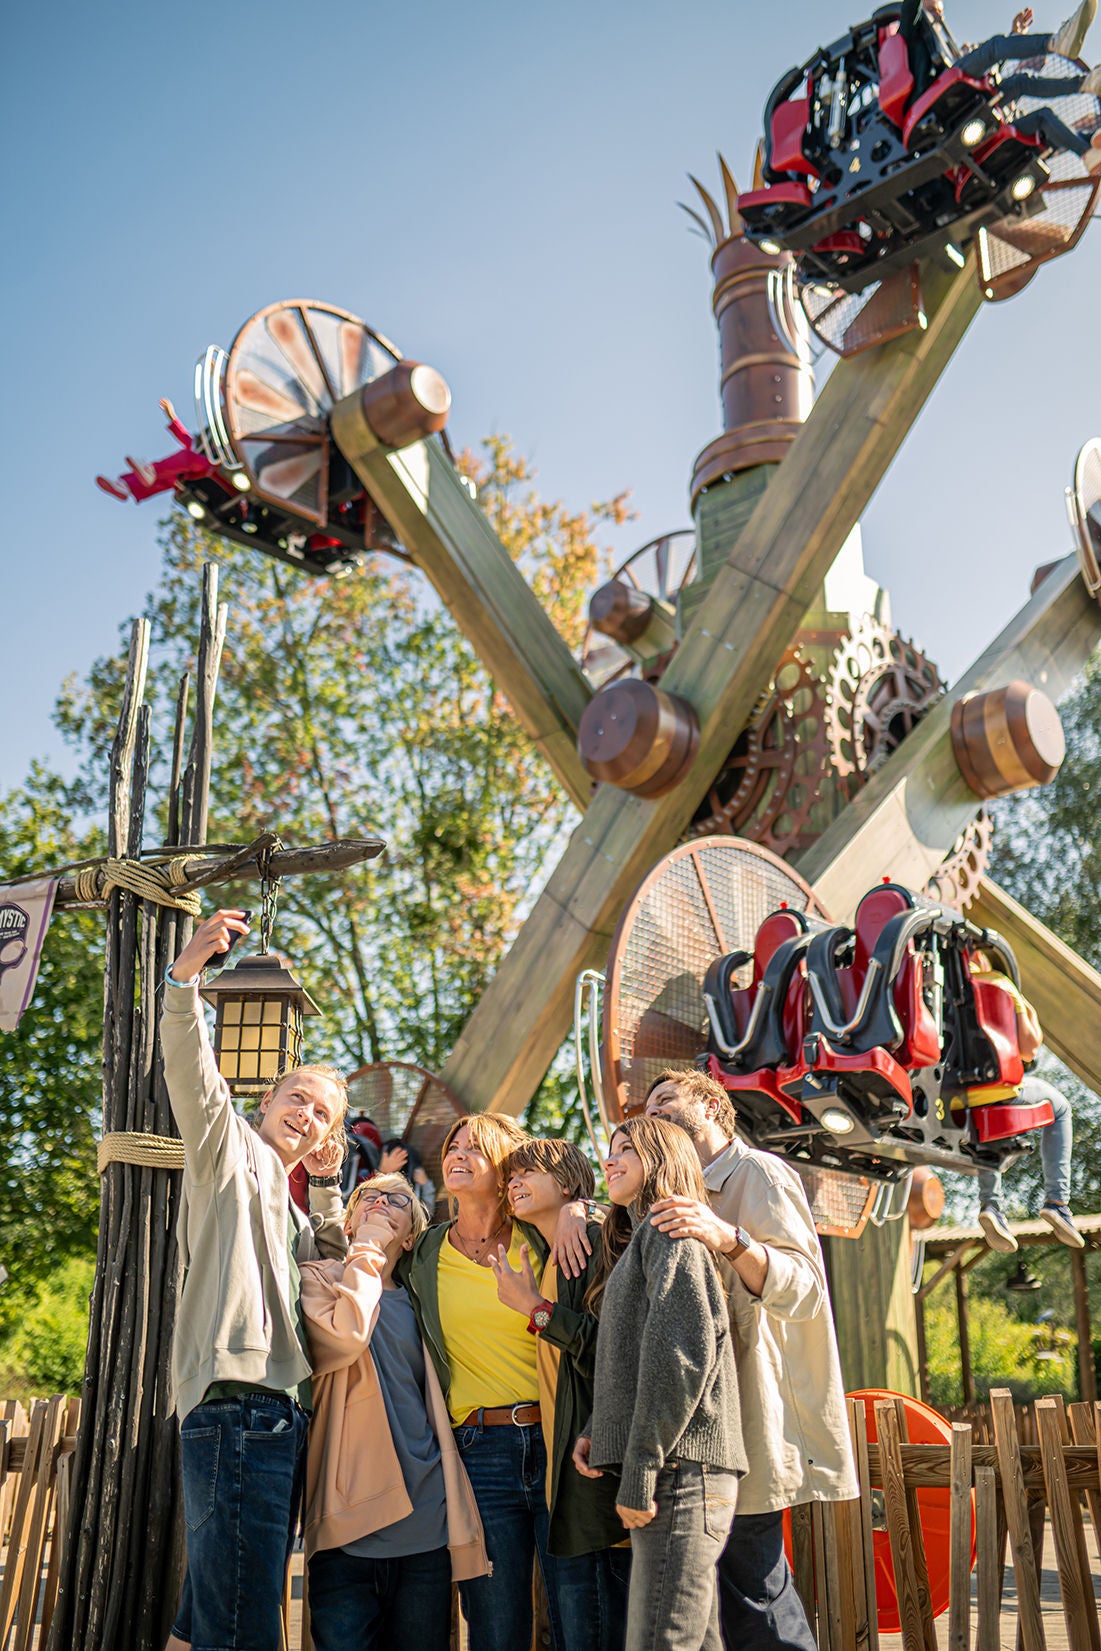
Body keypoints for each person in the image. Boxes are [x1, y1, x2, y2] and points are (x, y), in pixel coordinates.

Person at [160, 909, 349, 1651]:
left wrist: (330, 1190)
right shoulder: (225, 1146)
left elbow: (332, 1272)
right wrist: (186, 976)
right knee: (244, 1626)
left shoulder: (299, 1215)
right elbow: (190, 1067)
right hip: (239, 1407)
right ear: (266, 1099)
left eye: (322, 1111)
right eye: (296, 1096)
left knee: (212, 1612)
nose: (305, 1112)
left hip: (281, 1417)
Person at [645, 1067, 856, 1651]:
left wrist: (727, 1237)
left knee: (755, 1596)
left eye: (666, 1099)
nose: (653, 1112)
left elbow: (807, 1289)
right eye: (648, 1106)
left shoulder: (757, 1172)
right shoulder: (667, 1197)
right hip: (695, 1433)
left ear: (712, 1104)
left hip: (749, 1424)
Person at [400, 1113, 587, 1651]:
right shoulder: (423, 1255)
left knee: (579, 1614)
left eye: (475, 1148)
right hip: (478, 1451)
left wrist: (577, 1208)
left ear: (506, 1166)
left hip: (561, 1440)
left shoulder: (546, 1234)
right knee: (495, 1626)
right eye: (453, 1146)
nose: (457, 1154)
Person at [574, 1116, 746, 1651]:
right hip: (679, 1471)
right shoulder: (646, 1238)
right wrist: (598, 1428)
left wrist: (641, 1470)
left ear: (662, 1158)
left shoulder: (670, 1236)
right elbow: (637, 1359)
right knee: (694, 1642)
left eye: (626, 1148)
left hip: (680, 1474)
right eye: (609, 1149)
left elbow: (680, 1361)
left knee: (659, 1642)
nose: (609, 1160)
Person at [300, 1173, 490, 1651]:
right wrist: (364, 1245)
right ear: (348, 1221)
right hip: (346, 1530)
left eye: (398, 1201)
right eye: (369, 1197)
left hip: (425, 1526)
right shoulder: (317, 1280)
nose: (382, 1202)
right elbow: (346, 1336)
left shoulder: (428, 1303)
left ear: (409, 1238)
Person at [489, 1137, 630, 1651]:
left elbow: (614, 1356)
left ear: (568, 1182)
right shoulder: (549, 1248)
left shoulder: (590, 1241)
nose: (514, 1183)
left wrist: (534, 1309)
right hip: (564, 1481)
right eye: (510, 1178)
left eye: (529, 1172)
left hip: (596, 1478)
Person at [969, 951, 1084, 1252]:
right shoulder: (999, 984)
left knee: (987, 1124)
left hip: (956, 1096)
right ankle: (1057, 1202)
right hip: (999, 1090)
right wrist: (1029, 1011)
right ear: (979, 955)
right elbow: (1029, 1048)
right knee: (1060, 1108)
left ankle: (990, 1205)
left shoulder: (936, 988)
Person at [899, 0, 1101, 168]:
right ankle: (1055, 43)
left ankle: (1088, 145)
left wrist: (1015, 35)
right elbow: (910, 10)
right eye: (933, 10)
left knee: (1023, 86)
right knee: (993, 47)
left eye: (940, 12)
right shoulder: (914, 37)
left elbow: (990, 75)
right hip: (938, 99)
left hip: (969, 104)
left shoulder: (949, 46)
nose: (938, 17)